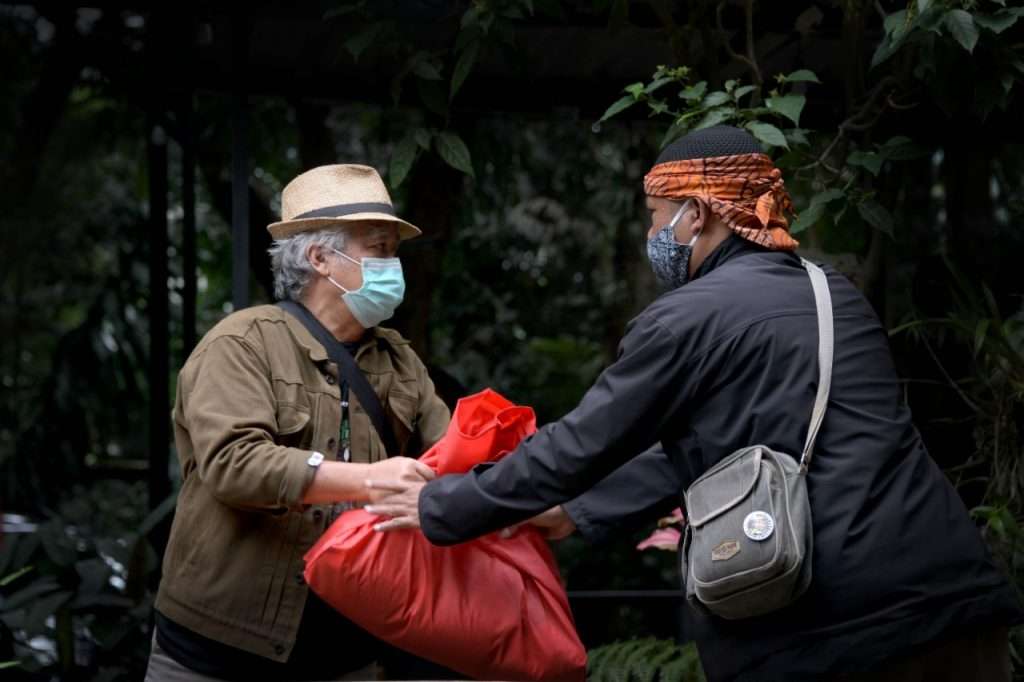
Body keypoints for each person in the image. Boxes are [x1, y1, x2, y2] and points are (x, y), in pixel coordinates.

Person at [367, 126, 1022, 681]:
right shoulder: (835, 297)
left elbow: (577, 446)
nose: (653, 233)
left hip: (840, 632)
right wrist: (579, 512)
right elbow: (729, 443)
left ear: (697, 214)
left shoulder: (684, 319)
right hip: (957, 607)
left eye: (656, 217)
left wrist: (441, 504)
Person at [146, 164, 453, 681]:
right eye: (378, 248)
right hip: (217, 651)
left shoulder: (399, 360)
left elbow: (455, 453)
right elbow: (234, 465)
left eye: (393, 251)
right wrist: (371, 480)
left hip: (347, 651)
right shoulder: (242, 342)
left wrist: (525, 496)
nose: (393, 265)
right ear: (319, 258)